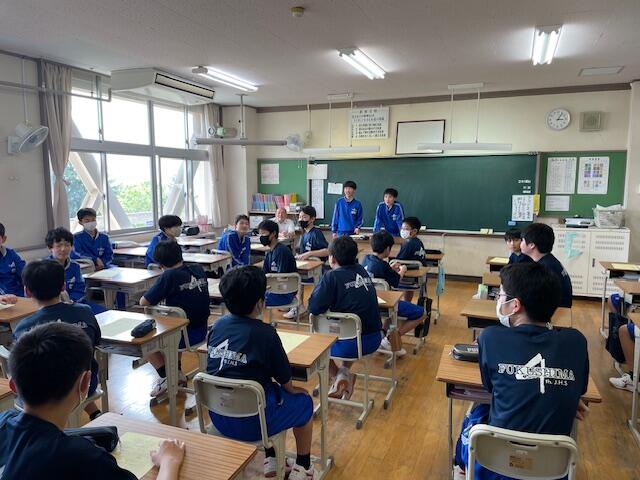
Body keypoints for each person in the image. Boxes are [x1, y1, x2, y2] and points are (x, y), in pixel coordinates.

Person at [454, 262, 589, 480]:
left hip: (495, 466)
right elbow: (579, 389)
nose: (498, 300)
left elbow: (490, 387)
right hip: (554, 470)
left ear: (515, 305)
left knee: (477, 412)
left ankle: (462, 470)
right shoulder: (576, 342)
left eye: (500, 295)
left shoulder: (490, 337)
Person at [0, 322, 185, 480]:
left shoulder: (4, 422)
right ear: (85, 383)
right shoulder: (81, 457)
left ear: (13, 386)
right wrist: (169, 461)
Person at [207, 266, 316, 480]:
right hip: (255, 424)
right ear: (259, 303)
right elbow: (285, 380)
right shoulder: (266, 334)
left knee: (263, 391)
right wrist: (295, 390)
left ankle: (272, 457)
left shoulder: (216, 327)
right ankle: (303, 466)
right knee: (303, 402)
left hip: (218, 415)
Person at [14, 259, 103, 419]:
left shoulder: (24, 327)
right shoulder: (85, 312)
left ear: (27, 291)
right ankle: (94, 413)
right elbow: (96, 341)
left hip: (45, 394)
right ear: (63, 286)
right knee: (70, 368)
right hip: (85, 384)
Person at [308, 236, 382, 400]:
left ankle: (339, 377)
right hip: (373, 339)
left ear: (332, 259)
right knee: (347, 330)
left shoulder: (331, 277)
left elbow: (313, 307)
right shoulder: (361, 270)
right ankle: (344, 374)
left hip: (350, 345)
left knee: (315, 344)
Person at [140, 241, 210, 398]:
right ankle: (177, 372)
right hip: (201, 331)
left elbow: (144, 302)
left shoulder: (169, 275)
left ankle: (167, 376)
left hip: (183, 336)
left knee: (143, 340)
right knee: (175, 322)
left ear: (160, 264)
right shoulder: (197, 268)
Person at [362, 231, 427, 357]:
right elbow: (397, 281)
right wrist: (403, 270)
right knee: (422, 313)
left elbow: (378, 271)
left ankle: (382, 335)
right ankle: (390, 339)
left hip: (368, 303)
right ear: (388, 249)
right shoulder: (383, 266)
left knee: (391, 309)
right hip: (384, 303)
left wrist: (390, 268)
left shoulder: (366, 259)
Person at [46, 227, 106, 315]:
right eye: (59, 246)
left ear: (72, 247)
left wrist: (71, 301)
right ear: (50, 248)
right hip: (53, 308)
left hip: (75, 303)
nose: (63, 249)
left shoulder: (75, 266)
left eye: (67, 245)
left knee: (105, 314)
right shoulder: (43, 268)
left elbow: (79, 289)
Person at [520, 223, 573, 308]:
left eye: (522, 240)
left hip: (556, 311)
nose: (520, 243)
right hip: (556, 307)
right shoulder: (549, 260)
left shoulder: (544, 267)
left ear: (532, 245)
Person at [258, 220, 301, 316]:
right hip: (275, 291)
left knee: (250, 299)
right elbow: (264, 274)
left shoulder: (282, 251)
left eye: (263, 233)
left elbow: (281, 277)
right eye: (260, 234)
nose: (261, 237)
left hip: (284, 293)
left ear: (273, 234)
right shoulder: (270, 253)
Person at [395, 216, 427, 302]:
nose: (403, 231)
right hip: (419, 276)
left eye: (406, 229)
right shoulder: (419, 242)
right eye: (402, 228)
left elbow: (398, 260)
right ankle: (407, 302)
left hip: (408, 277)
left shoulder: (407, 243)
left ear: (415, 231)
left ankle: (394, 302)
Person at [0, 222, 26, 296]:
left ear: (3, 239)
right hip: (3, 299)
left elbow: (25, 273)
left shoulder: (11, 254)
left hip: (20, 296)